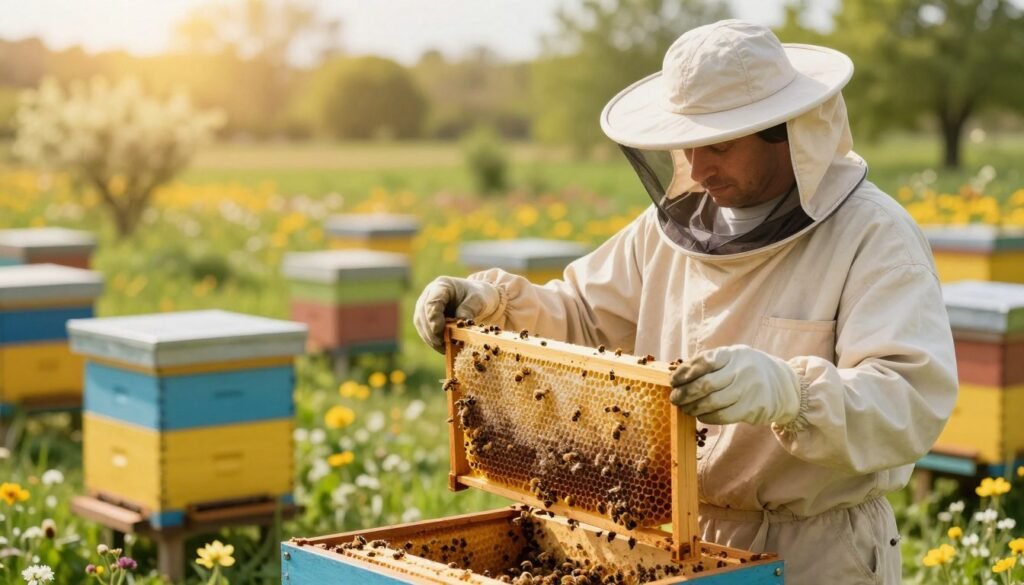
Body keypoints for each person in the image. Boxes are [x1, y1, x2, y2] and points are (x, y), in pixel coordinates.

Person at [414, 19, 957, 584]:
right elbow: (580, 315)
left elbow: (910, 400)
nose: (697, 169)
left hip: (817, 548)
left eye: (719, 145)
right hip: (671, 536)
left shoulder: (874, 236)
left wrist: (790, 393)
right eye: (687, 146)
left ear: (784, 132)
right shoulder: (666, 231)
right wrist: (492, 304)